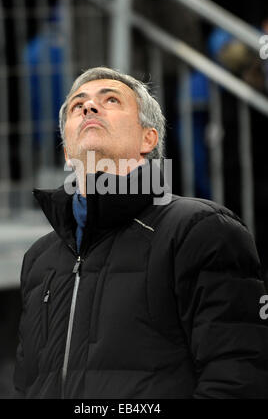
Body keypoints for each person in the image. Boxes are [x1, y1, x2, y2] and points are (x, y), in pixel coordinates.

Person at [14, 67, 268, 399]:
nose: (89, 108)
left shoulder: (200, 229)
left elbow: (237, 378)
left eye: (111, 100)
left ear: (148, 138)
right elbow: (26, 385)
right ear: (67, 151)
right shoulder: (39, 258)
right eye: (78, 105)